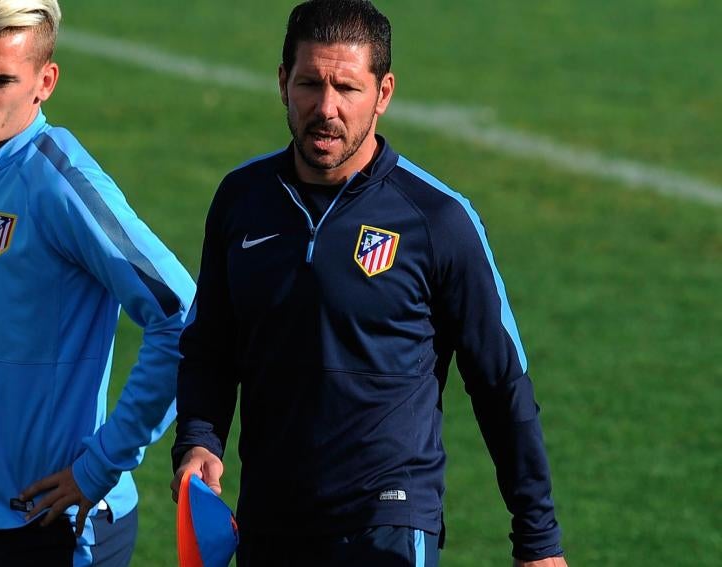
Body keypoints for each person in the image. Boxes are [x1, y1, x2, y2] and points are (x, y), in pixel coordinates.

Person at [171, 1, 568, 566]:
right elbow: (210, 346)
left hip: (387, 518)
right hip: (270, 520)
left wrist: (539, 541)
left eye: (347, 88)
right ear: (283, 82)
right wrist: (198, 440)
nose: (326, 108)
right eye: (310, 83)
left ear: (383, 93)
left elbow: (501, 382)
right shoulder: (241, 201)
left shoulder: (436, 220)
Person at [0, 1, 195, 565]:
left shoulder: (60, 183)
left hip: (61, 529)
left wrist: (102, 463)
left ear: (44, 81)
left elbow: (183, 316)